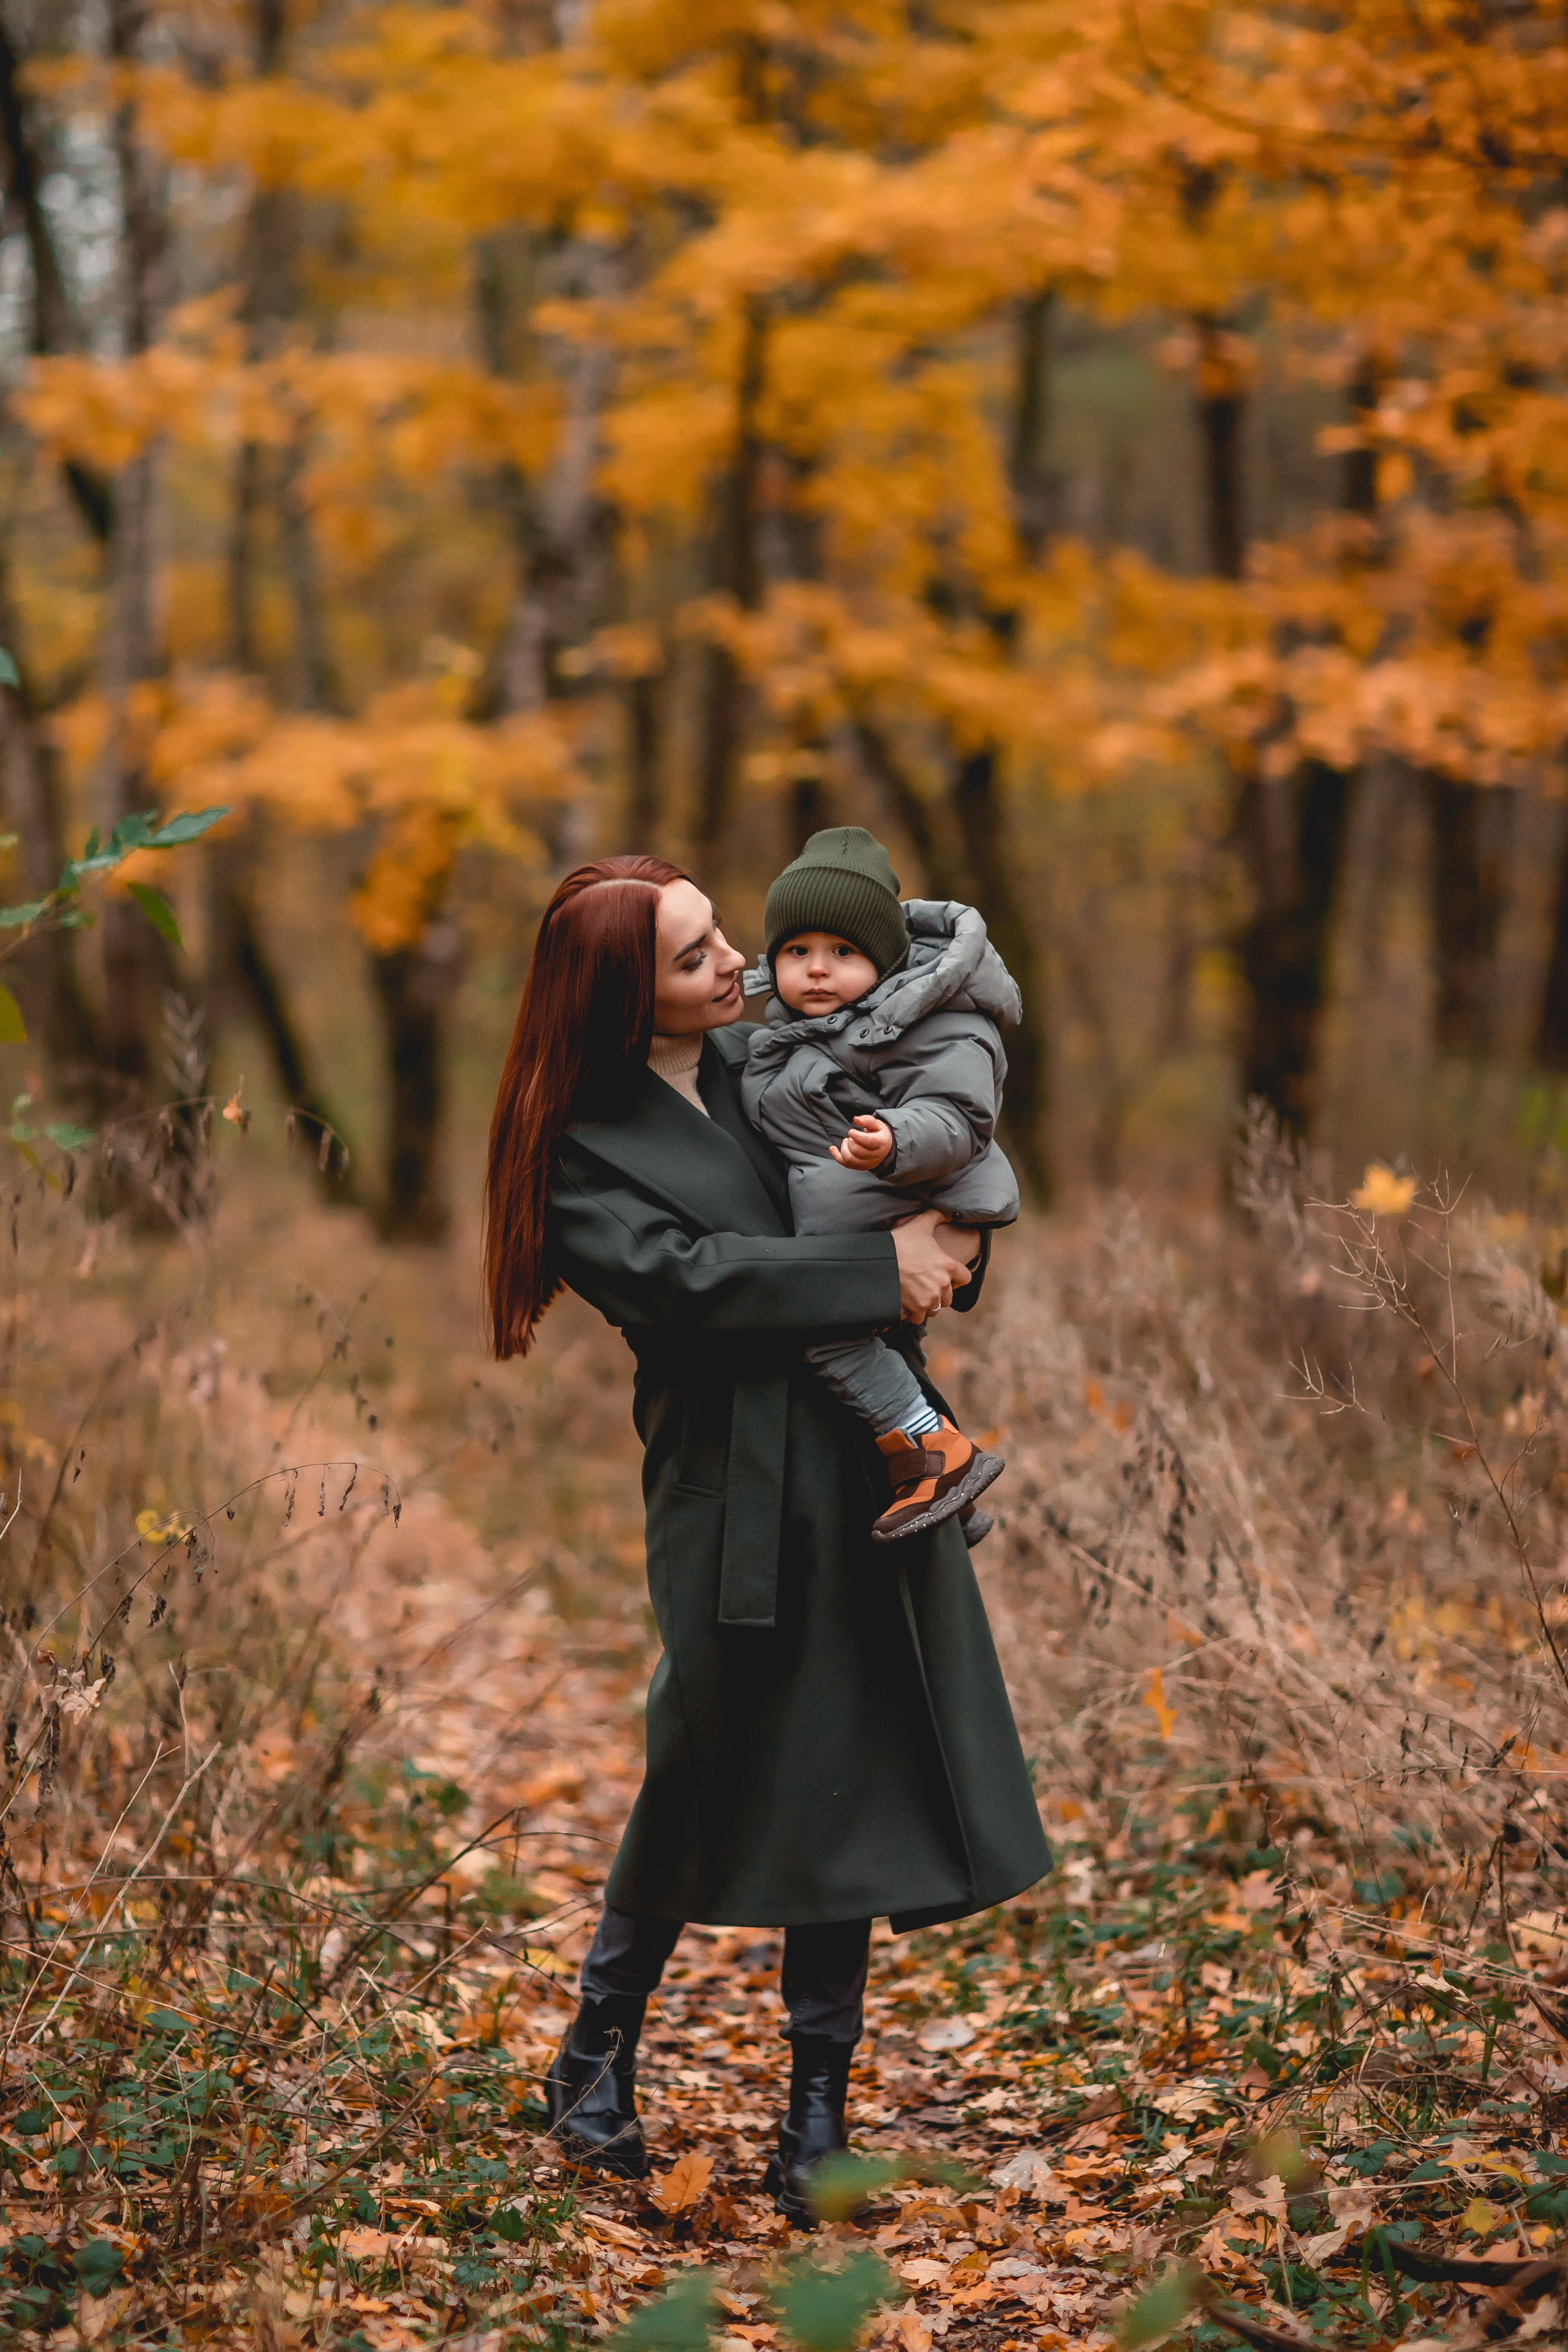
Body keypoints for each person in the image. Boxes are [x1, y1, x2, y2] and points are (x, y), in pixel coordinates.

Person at [484, 854, 1049, 2226]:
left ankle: (816, 2116)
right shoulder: (579, 1143)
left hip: (867, 1454)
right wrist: (875, 1267)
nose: (733, 961)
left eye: (717, 934)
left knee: (848, 1769)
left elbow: (926, 1137)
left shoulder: (768, 1058)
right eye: (693, 956)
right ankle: (593, 2061)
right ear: (627, 999)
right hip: (726, 1478)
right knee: (699, 1754)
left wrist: (944, 1234)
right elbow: (687, 1284)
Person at [741, 826, 1020, 1544]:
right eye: (796, 952)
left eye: (842, 952)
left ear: (886, 959)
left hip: (900, 1200)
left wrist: (895, 1141)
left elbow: (956, 1111)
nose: (817, 970)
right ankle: (951, 1497)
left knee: (829, 1335)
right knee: (872, 1350)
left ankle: (939, 1457)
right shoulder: (802, 1029)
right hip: (858, 1213)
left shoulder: (922, 1020)